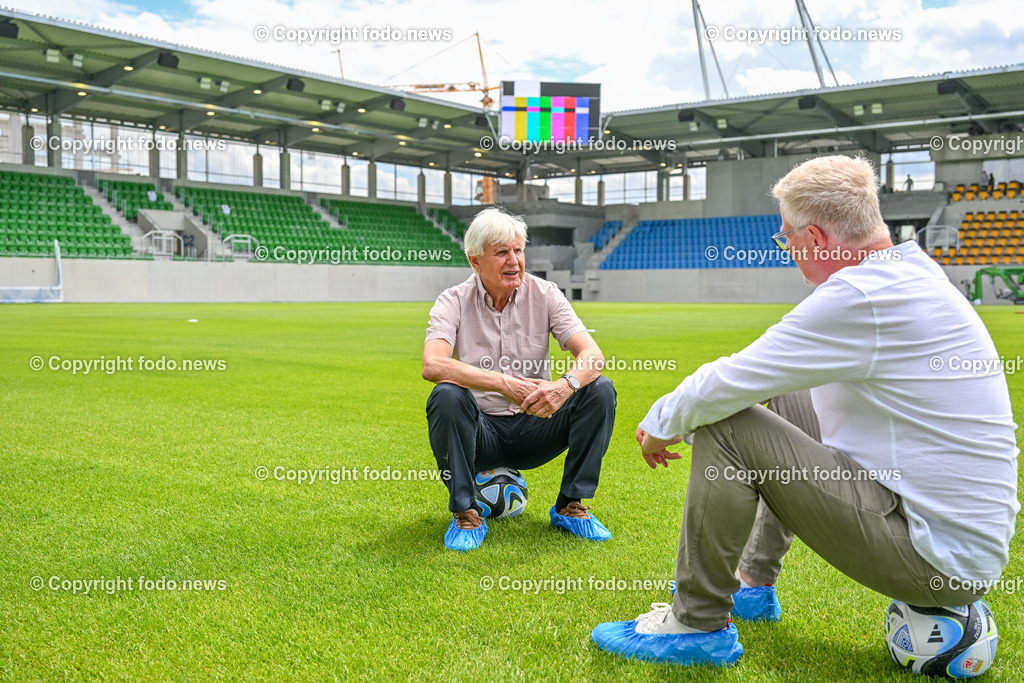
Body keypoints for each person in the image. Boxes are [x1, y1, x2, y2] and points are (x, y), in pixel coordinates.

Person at [591, 155, 1018, 666]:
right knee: (787, 398)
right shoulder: (908, 268)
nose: (788, 251)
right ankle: (752, 584)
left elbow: (727, 381)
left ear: (815, 239)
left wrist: (659, 425)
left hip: (933, 558)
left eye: (786, 239)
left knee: (725, 421)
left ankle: (695, 626)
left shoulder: (862, 295)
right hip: (958, 544)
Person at [423, 207, 617, 552]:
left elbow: (593, 357)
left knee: (598, 388)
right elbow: (433, 364)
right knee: (447, 395)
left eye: (518, 250)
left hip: (535, 424)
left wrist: (564, 386)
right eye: (501, 253)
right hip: (480, 434)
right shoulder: (452, 300)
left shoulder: (545, 294)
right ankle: (466, 513)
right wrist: (502, 383)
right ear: (475, 261)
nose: (514, 261)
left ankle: (571, 506)